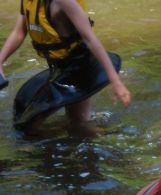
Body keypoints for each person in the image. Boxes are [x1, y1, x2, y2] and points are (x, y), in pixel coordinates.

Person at [0, 0, 131, 131]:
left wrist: (116, 82)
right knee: (26, 114)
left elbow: (90, 38)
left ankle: (116, 134)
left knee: (70, 124)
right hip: (59, 68)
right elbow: (19, 32)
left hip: (81, 67)